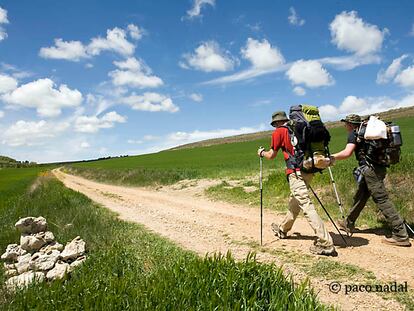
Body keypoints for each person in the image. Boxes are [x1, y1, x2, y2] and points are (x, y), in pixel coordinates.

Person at [258, 111, 337, 256]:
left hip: (295, 172)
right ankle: (283, 229)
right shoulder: (300, 128)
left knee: (305, 204)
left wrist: (261, 153)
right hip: (309, 169)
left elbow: (271, 155)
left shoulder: (279, 132)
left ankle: (326, 243)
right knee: (295, 200)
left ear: (276, 123)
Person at [332, 114, 411, 247]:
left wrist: (330, 157)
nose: (345, 126)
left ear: (350, 124)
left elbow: (347, 153)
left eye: (346, 123)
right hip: (379, 167)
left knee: (382, 199)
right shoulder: (368, 132)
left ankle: (400, 234)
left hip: (370, 170)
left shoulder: (354, 134)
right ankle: (348, 223)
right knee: (361, 196)